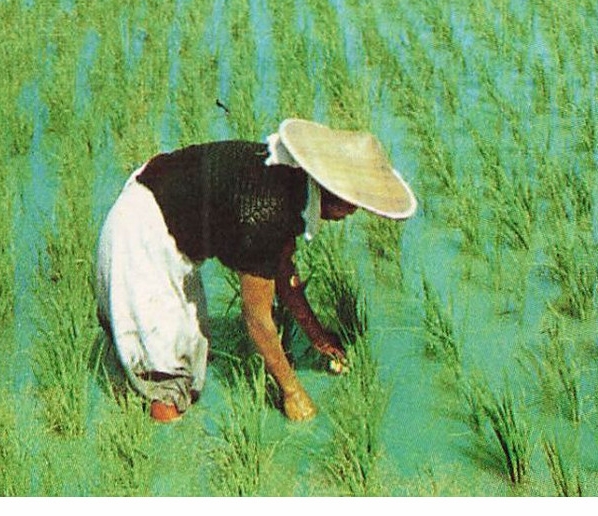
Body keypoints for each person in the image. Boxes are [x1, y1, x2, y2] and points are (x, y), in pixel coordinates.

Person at [95, 117, 417, 423]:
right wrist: (293, 392)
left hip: (160, 205)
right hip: (141, 235)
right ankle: (165, 454)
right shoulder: (268, 214)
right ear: (329, 188)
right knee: (169, 382)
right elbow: (258, 320)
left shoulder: (289, 179)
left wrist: (317, 335)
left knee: (189, 349)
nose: (353, 211)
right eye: (351, 201)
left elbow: (283, 273)